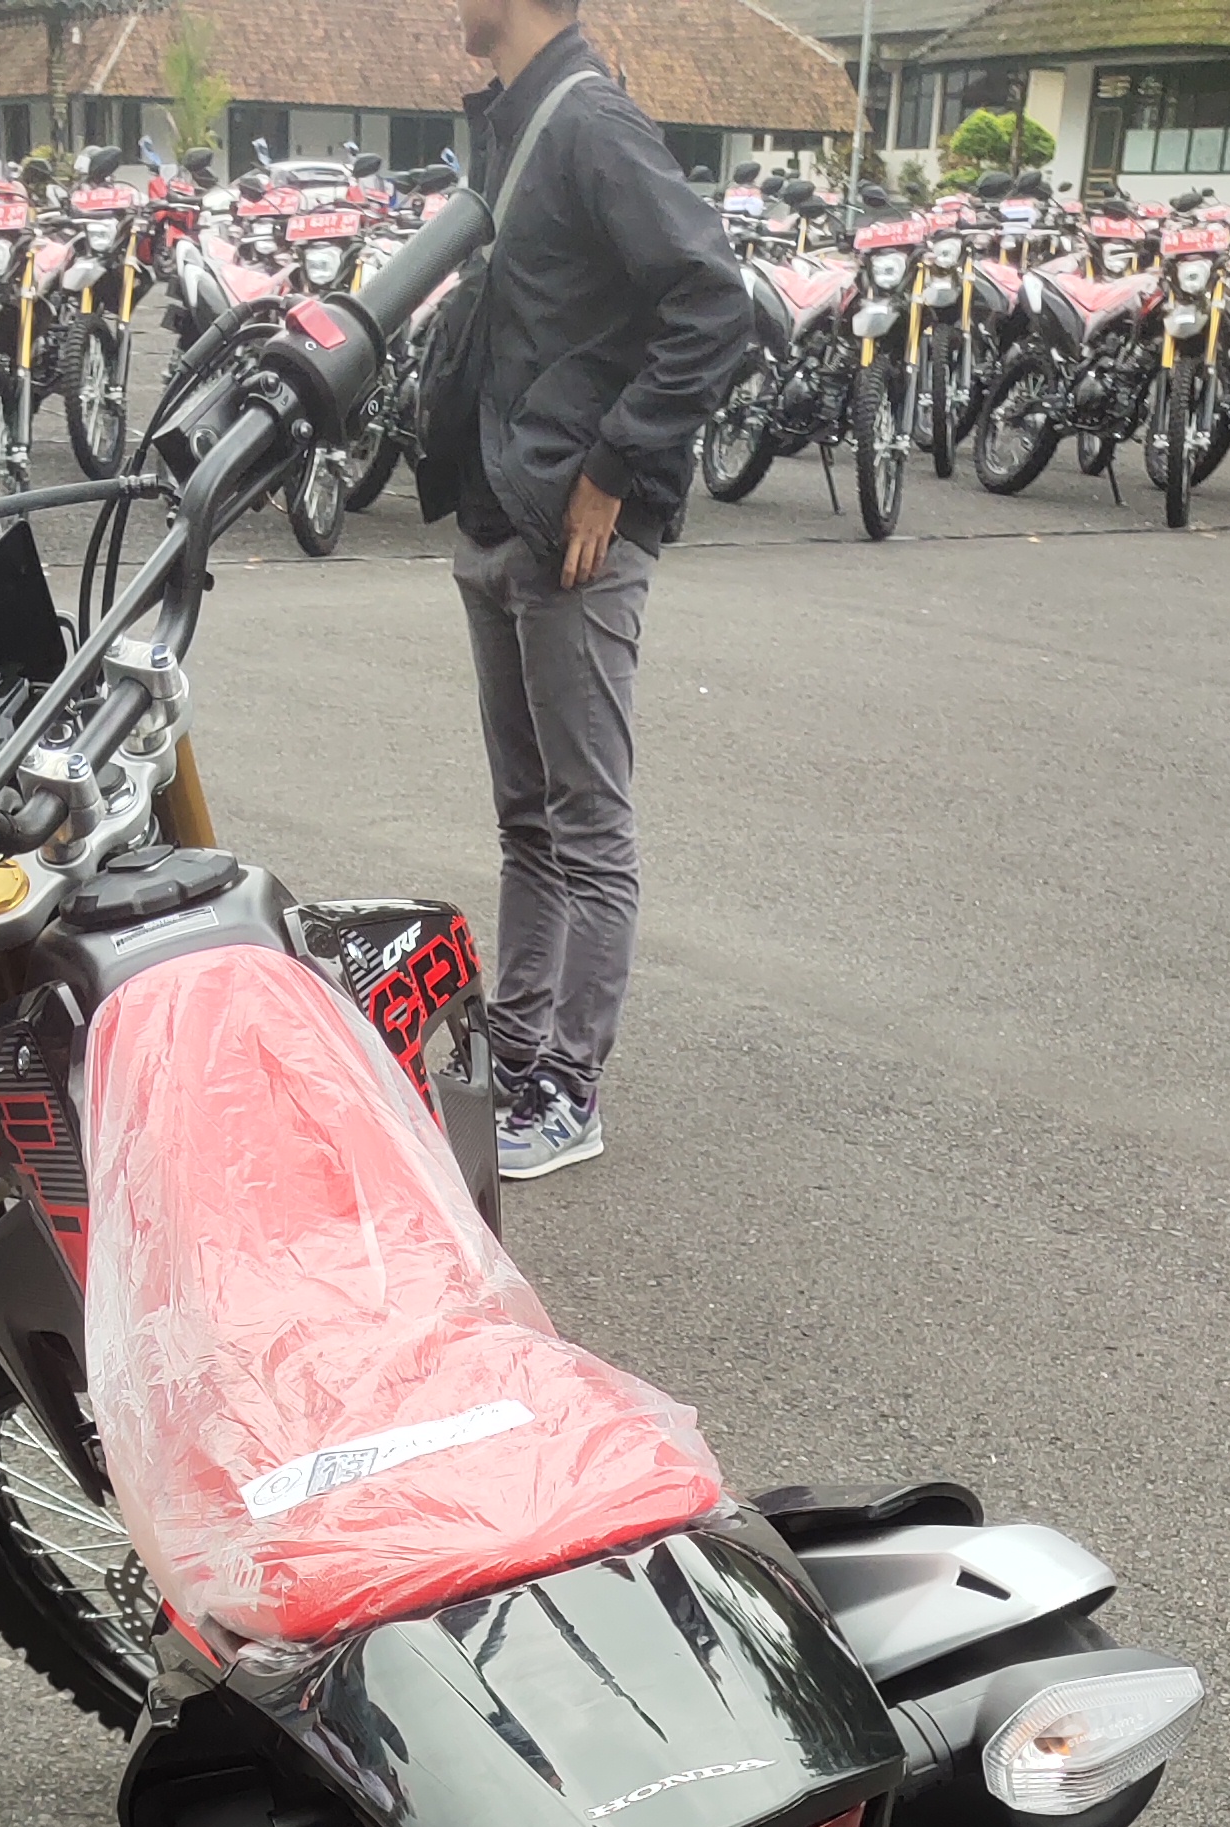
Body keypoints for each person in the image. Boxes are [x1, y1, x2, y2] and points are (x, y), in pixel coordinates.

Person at [423, 0, 746, 1180]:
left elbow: (715, 303)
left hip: (575, 528)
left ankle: (570, 1084)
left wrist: (613, 469)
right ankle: (519, 1050)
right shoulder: (515, 122)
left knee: (588, 825)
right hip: (501, 514)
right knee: (528, 819)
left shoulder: (591, 123)